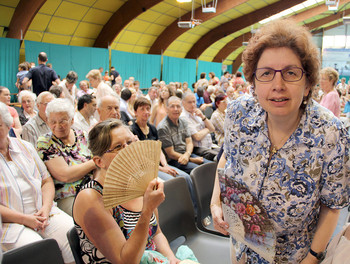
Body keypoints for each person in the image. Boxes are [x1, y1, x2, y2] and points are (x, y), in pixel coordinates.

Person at [210, 19, 349, 264]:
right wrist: (215, 201)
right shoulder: (237, 114)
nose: (278, 85)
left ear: (307, 84)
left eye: (290, 73)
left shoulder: (330, 133)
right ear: (253, 83)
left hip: (294, 257)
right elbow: (226, 158)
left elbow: (332, 205)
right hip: (240, 246)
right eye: (266, 74)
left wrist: (312, 258)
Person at [73, 119, 180, 263]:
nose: (129, 150)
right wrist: (147, 211)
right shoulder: (91, 198)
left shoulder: (139, 183)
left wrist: (172, 259)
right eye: (118, 147)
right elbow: (124, 261)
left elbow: (157, 233)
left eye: (129, 143)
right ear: (99, 161)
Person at [0, 102, 74, 264]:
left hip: (44, 213)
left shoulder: (25, 147)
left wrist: (46, 209)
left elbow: (46, 180)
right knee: (39, 251)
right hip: (10, 223)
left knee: (74, 236)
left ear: (7, 125)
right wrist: (25, 219)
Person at [36, 99, 96, 216]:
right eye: (53, 121)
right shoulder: (45, 142)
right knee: (94, 216)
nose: (57, 126)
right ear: (47, 121)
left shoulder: (82, 135)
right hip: (69, 196)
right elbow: (65, 175)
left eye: (62, 121)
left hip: (93, 188)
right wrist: (94, 163)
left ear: (72, 120)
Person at [158, 96, 210, 174]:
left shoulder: (183, 121)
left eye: (178, 106)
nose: (176, 109)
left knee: (210, 166)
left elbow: (189, 142)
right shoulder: (163, 127)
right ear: (166, 109)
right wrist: (192, 159)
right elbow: (171, 154)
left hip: (187, 154)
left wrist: (187, 154)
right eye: (172, 106)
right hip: (174, 160)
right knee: (201, 171)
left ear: (181, 109)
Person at [181, 92, 219, 161]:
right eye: (189, 102)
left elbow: (212, 129)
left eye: (194, 102)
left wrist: (202, 116)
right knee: (221, 157)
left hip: (210, 146)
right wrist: (207, 129)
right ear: (183, 103)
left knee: (226, 152)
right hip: (199, 148)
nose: (193, 104)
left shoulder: (197, 113)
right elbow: (197, 137)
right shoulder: (183, 117)